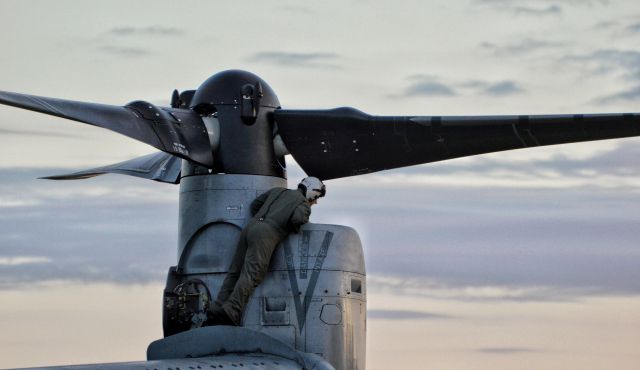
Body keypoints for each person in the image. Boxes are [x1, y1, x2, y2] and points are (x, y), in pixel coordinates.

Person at [206, 176, 326, 326]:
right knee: (252, 274)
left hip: (250, 228)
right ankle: (232, 310)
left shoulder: (278, 191)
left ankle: (217, 309)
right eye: (317, 197)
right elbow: (297, 219)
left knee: (235, 271)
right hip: (266, 234)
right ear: (312, 192)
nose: (316, 202)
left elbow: (255, 205)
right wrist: (286, 227)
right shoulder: (303, 204)